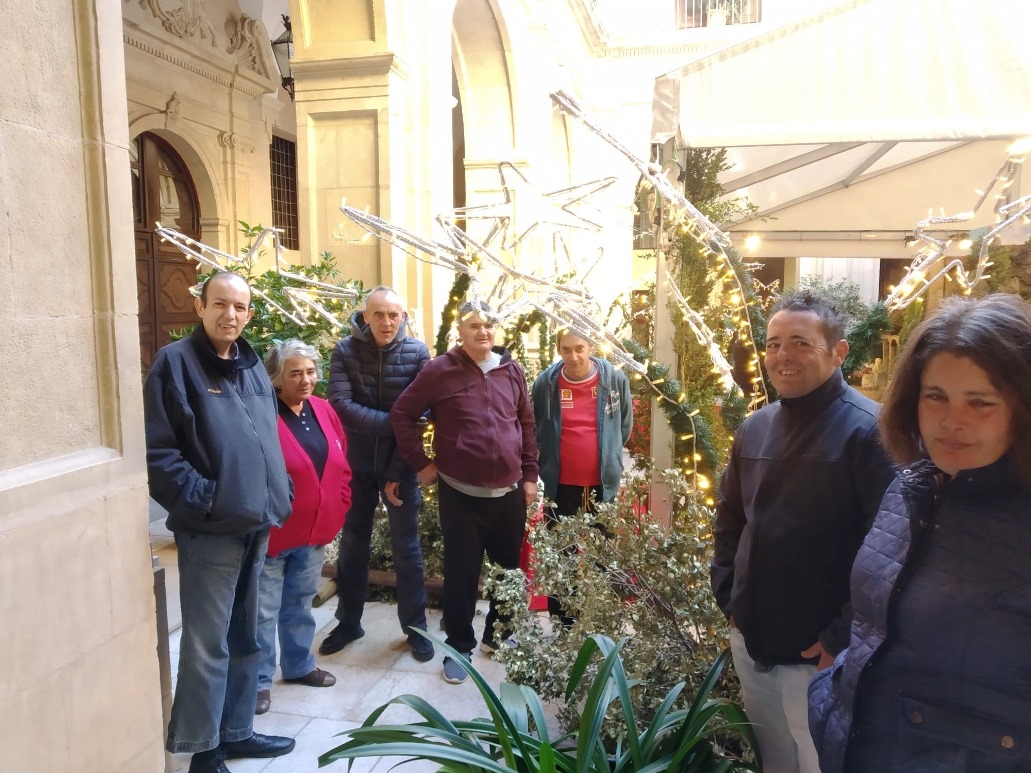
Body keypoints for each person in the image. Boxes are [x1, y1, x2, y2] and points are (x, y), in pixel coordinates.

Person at [809, 293, 1031, 772]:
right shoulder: (911, 487)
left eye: (981, 403)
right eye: (937, 397)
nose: (953, 422)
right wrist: (832, 690)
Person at [710, 289, 894, 773]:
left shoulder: (870, 432)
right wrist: (729, 596)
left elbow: (890, 549)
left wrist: (841, 636)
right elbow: (729, 519)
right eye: (772, 344)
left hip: (820, 657)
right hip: (754, 644)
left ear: (838, 353)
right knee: (775, 762)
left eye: (799, 342)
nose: (781, 356)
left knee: (818, 764)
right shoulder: (755, 427)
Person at [144, 271, 295, 773]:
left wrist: (279, 489)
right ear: (200, 307)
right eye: (220, 304)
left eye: (240, 306)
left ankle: (237, 731)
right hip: (211, 530)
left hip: (257, 520)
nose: (230, 314)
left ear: (249, 313)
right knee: (207, 645)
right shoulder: (176, 364)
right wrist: (207, 501)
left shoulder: (251, 364)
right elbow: (159, 455)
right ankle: (203, 752)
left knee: (245, 636)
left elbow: (265, 437)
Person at [390, 300, 539, 684]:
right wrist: (421, 464)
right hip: (460, 493)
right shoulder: (439, 370)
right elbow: (402, 415)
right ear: (461, 330)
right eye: (474, 325)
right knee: (461, 575)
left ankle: (498, 635)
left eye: (489, 325)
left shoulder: (511, 370)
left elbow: (525, 423)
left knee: (509, 571)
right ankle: (459, 645)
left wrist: (529, 475)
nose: (483, 332)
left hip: (508, 493)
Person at [319, 286, 433, 662]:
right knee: (353, 545)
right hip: (357, 465)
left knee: (407, 548)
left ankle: (415, 629)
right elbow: (341, 405)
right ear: (365, 316)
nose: (387, 322)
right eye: (379, 314)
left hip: (401, 464)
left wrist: (399, 468)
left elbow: (422, 415)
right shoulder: (345, 350)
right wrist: (396, 423)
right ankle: (349, 622)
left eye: (394, 314)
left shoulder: (417, 354)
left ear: (403, 317)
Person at [255, 340, 352, 715]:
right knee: (263, 612)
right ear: (276, 379)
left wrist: (340, 504)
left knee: (299, 604)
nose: (305, 379)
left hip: (314, 534)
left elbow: (342, 461)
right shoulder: (262, 413)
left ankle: (298, 666)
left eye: (310, 371)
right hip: (274, 534)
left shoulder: (324, 409)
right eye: (295, 373)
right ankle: (261, 681)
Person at [531, 329, 632, 623]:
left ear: (591, 347)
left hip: (603, 487)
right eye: (566, 349)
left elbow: (624, 424)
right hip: (559, 486)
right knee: (561, 556)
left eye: (579, 348)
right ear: (558, 350)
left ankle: (600, 618)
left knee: (603, 556)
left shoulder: (614, 380)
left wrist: (609, 456)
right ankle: (565, 621)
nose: (573, 356)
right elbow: (536, 426)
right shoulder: (546, 384)